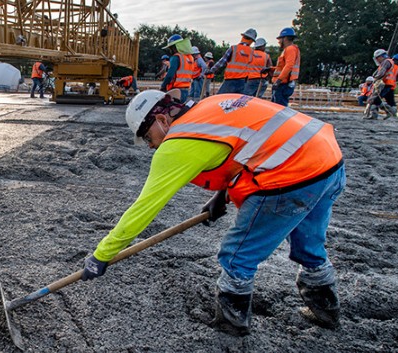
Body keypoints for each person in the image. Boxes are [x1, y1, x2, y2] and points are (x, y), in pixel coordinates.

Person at [81, 89, 346, 336]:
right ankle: (325, 310)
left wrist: (101, 255)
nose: (151, 146)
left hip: (290, 176)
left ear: (162, 119)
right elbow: (251, 146)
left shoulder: (178, 143)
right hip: (327, 160)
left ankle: (232, 323)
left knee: (237, 255)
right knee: (309, 245)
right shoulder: (210, 105)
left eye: (148, 137)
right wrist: (222, 195)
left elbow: (144, 209)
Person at [208, 28, 257, 94]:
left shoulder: (234, 48)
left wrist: (211, 70)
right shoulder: (252, 52)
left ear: (243, 37)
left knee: (220, 100)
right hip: (243, 82)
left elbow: (222, 62)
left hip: (230, 80)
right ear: (251, 41)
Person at [159, 34, 197, 98]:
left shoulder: (176, 57)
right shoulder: (190, 58)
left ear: (175, 47)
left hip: (175, 90)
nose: (170, 50)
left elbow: (170, 75)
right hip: (186, 89)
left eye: (171, 48)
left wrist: (163, 86)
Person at [368, 50, 398, 120]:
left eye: (377, 58)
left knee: (375, 99)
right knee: (391, 101)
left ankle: (384, 112)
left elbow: (381, 73)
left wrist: (375, 79)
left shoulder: (386, 62)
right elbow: (397, 78)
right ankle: (393, 115)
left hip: (383, 84)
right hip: (391, 85)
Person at [271, 27, 301, 107]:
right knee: (278, 107)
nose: (279, 41)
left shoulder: (290, 49)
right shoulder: (290, 49)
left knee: (279, 108)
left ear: (285, 38)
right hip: (283, 82)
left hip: (283, 84)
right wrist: (270, 69)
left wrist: (278, 80)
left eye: (280, 39)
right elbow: (283, 67)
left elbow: (289, 66)